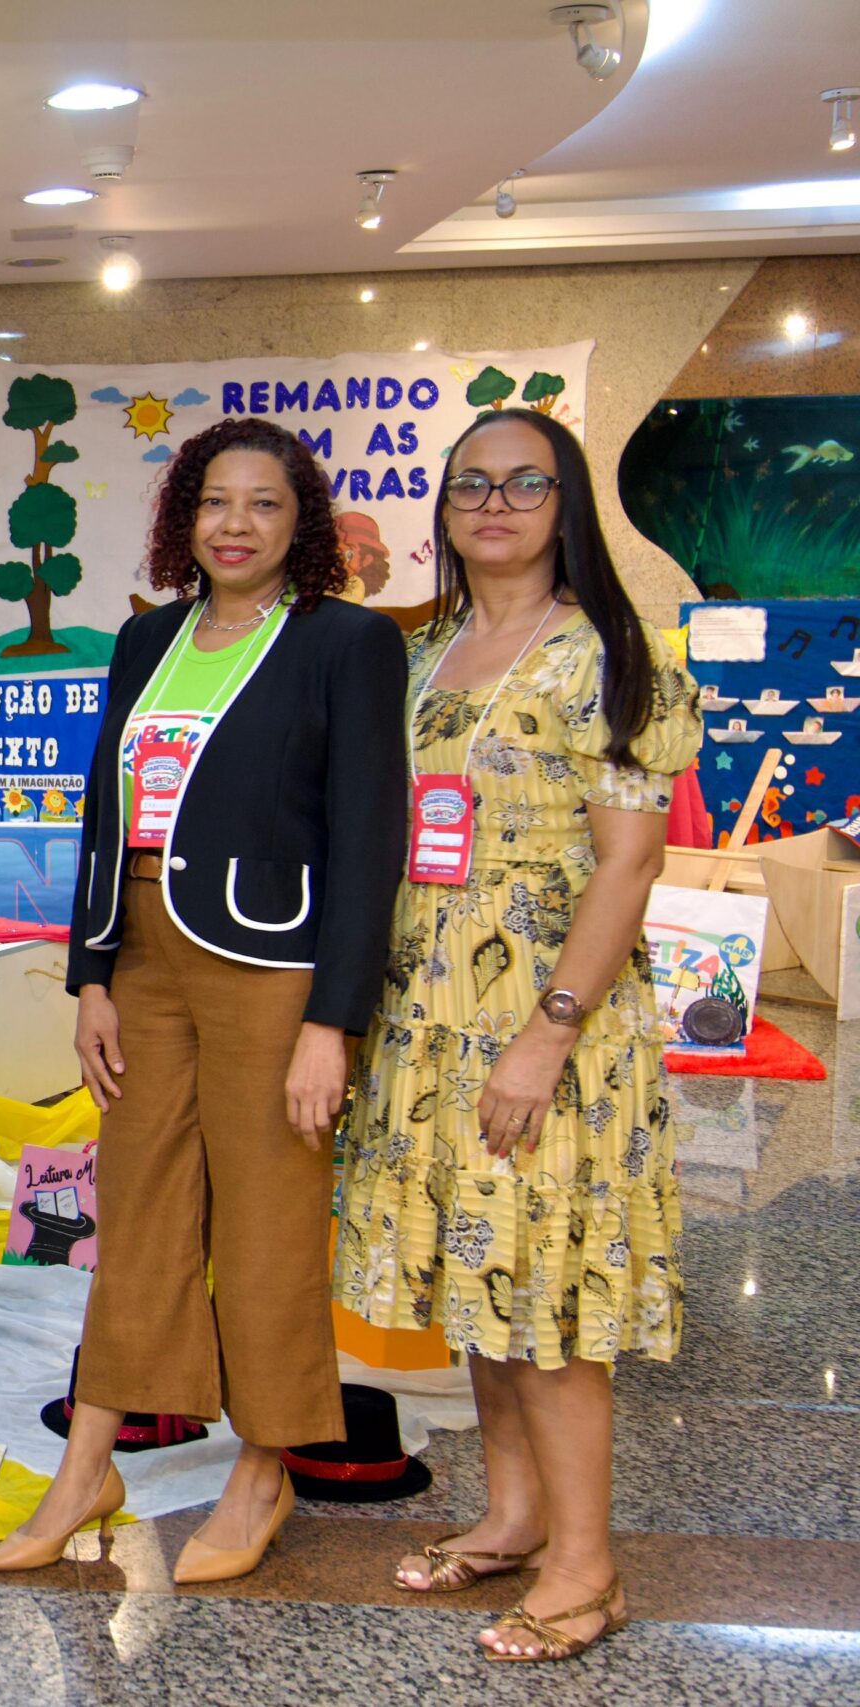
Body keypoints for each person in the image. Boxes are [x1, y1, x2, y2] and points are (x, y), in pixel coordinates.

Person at [0, 418, 407, 1581]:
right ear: (185, 517)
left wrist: (332, 1020)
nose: (235, 524)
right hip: (142, 958)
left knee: (268, 1216)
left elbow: (369, 838)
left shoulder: (346, 642)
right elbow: (103, 809)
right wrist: (91, 973)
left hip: (269, 964)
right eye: (215, 501)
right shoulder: (146, 638)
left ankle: (263, 1468)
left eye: (264, 504)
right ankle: (88, 1464)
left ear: (300, 521)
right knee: (137, 1208)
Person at [337, 408, 698, 1663]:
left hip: (550, 1020)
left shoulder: (614, 656)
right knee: (477, 1285)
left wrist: (547, 1035)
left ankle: (586, 1571)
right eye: (470, 484)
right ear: (441, 509)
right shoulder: (419, 652)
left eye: (524, 483)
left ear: (566, 503)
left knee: (546, 1298)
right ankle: (512, 1517)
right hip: (423, 1012)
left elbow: (629, 863)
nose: (493, 504)